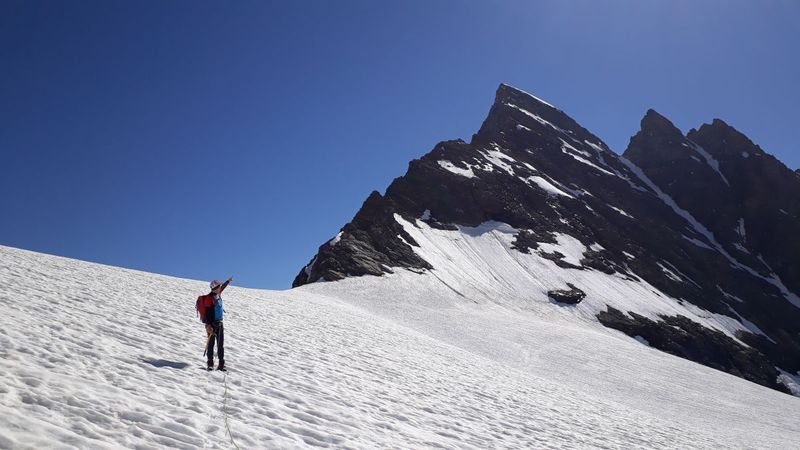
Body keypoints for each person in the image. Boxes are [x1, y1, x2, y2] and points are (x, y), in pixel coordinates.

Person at [197, 277, 232, 371]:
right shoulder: (209, 298)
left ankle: (221, 364)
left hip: (220, 324)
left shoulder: (218, 295)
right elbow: (208, 313)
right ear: (215, 287)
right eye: (219, 286)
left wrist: (228, 281)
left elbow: (223, 287)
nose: (220, 288)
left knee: (220, 345)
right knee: (211, 344)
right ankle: (210, 364)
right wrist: (208, 325)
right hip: (211, 325)